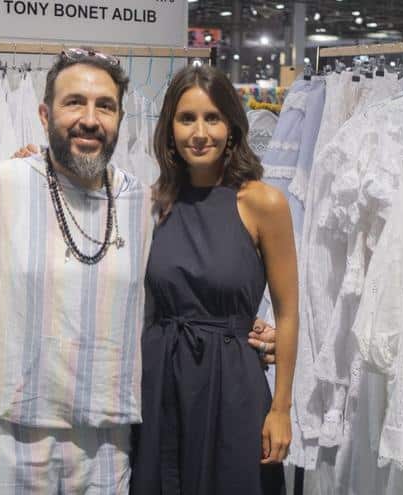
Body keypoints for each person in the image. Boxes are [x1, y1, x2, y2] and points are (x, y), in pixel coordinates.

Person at [0, 48, 277, 494]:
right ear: (44, 114)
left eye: (105, 106)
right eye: (74, 102)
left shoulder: (145, 204)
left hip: (107, 453)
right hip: (7, 443)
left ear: (120, 120)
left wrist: (251, 332)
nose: (90, 119)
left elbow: (179, 289)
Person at [130, 65, 299, 495]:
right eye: (187, 119)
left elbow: (288, 312)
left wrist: (281, 409)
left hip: (233, 384)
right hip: (161, 379)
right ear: (170, 129)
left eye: (213, 118)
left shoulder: (263, 203)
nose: (200, 133)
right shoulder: (154, 203)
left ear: (232, 127)